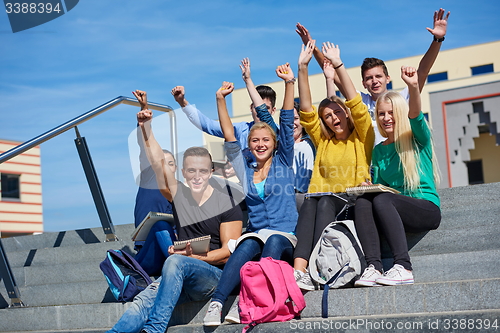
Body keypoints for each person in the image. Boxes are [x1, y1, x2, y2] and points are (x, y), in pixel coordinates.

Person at [106, 91, 243, 333]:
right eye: (191, 171)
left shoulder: (227, 203)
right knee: (141, 303)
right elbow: (158, 160)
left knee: (175, 261)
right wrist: (145, 126)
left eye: (202, 171)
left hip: (211, 276)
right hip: (178, 272)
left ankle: (155, 330)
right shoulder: (180, 195)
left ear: (211, 171)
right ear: (183, 172)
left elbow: (228, 253)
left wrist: (197, 258)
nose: (197, 176)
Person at [203, 61, 298, 326]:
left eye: (266, 140)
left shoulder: (283, 161)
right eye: (255, 140)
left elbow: (287, 120)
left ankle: (249, 299)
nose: (260, 144)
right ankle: (217, 303)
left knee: (273, 243)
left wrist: (290, 83)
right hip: (256, 232)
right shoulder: (244, 168)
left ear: (274, 143)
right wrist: (220, 99)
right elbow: (229, 136)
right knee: (245, 246)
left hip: (283, 235)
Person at [296, 8, 450, 144]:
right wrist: (312, 47)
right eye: (369, 78)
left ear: (387, 78)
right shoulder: (361, 102)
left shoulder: (402, 98)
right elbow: (333, 73)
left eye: (379, 76)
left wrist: (437, 40)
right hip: (371, 167)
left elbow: (423, 71)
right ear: (364, 83)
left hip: (399, 160)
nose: (374, 81)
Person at [293, 40, 374, 291]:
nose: (333, 118)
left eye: (337, 113)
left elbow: (356, 104)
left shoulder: (362, 136)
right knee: (312, 199)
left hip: (349, 203)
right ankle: (299, 271)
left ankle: (317, 265)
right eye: (327, 116)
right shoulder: (324, 141)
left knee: (324, 200)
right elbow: (306, 109)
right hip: (320, 203)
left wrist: (338, 65)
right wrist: (302, 68)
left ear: (346, 114)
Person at [354, 66, 441, 287]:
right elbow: (384, 189)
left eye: (391, 112)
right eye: (381, 113)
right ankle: (373, 266)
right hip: (394, 208)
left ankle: (403, 266)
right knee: (364, 199)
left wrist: (413, 87)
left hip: (425, 208)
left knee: (382, 199)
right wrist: (371, 186)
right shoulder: (379, 150)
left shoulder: (416, 137)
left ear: (400, 113)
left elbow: (415, 114)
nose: (385, 118)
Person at [132, 90, 177, 276]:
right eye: (163, 163)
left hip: (171, 248)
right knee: (159, 226)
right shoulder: (149, 178)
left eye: (171, 164)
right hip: (148, 248)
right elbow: (145, 147)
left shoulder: (178, 191)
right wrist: (144, 114)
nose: (167, 166)